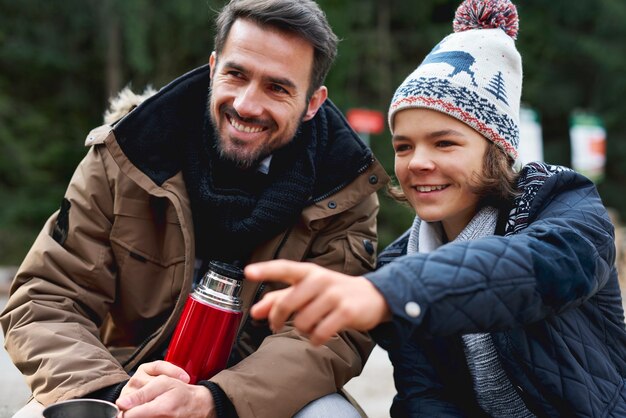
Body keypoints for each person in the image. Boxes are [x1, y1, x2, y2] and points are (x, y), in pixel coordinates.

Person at [0, 0, 390, 417]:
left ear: (313, 102)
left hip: (257, 401)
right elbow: (46, 296)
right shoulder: (127, 153)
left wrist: (216, 400)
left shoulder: (343, 188)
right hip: (120, 380)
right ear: (212, 68)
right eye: (236, 74)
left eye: (277, 87)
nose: (246, 105)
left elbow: (331, 334)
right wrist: (113, 393)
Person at [245, 0, 626, 416]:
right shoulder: (401, 262)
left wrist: (390, 292)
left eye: (444, 143)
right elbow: (425, 395)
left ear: (497, 152)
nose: (417, 162)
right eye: (403, 147)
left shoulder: (564, 201)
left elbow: (537, 268)